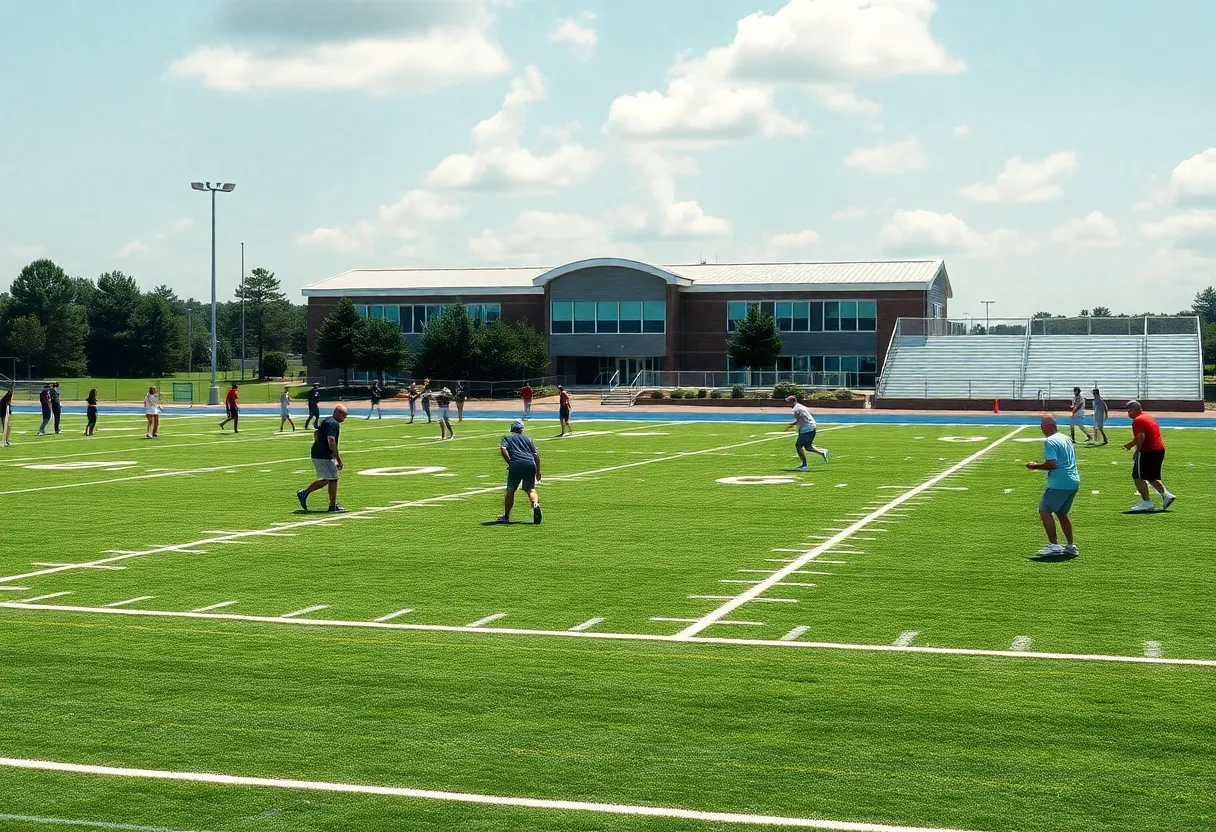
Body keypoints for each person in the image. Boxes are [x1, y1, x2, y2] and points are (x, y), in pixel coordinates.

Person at [1024, 415, 1080, 556]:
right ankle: (1070, 545)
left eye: (1042, 425)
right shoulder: (1065, 438)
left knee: (1044, 510)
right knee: (1062, 513)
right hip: (1073, 481)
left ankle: (1054, 545)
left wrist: (1034, 466)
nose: (1041, 428)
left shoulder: (1050, 441)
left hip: (1059, 483)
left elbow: (1052, 464)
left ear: (1049, 425)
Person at [1123, 401, 1176, 513]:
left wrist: (1137, 451)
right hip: (1159, 449)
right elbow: (1143, 436)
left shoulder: (1138, 421)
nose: (1128, 413)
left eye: (1129, 410)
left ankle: (1146, 502)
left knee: (1137, 476)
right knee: (1149, 476)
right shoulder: (1148, 418)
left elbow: (1141, 437)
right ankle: (1166, 495)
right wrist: (1130, 445)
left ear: (1135, 409)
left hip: (1148, 451)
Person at [298, 404, 348, 513]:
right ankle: (305, 493)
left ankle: (332, 505)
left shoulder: (327, 420)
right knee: (328, 479)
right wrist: (338, 459)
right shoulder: (333, 423)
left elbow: (316, 434)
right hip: (323, 455)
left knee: (332, 478)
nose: (345, 418)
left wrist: (319, 444)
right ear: (338, 413)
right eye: (345, 415)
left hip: (319, 452)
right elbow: (331, 440)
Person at [498, 419, 542, 524]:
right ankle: (535, 504)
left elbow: (503, 448)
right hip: (530, 464)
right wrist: (538, 470)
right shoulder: (528, 439)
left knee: (510, 490)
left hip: (516, 464)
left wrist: (509, 461)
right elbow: (536, 455)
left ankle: (506, 516)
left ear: (512, 429)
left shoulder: (507, 438)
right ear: (522, 429)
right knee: (531, 489)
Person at [784, 395, 828, 468]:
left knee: (798, 446)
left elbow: (799, 420)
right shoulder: (799, 406)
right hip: (811, 427)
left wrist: (791, 425)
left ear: (792, 401)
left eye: (788, 402)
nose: (787, 404)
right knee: (808, 447)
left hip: (807, 428)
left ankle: (804, 465)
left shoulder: (796, 409)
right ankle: (823, 453)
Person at [1, 383, 13, 447]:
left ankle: (6, 440)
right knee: (6, 427)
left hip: (6, 412)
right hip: (4, 412)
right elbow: (8, 403)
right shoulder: (8, 394)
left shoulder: (8, 393)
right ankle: (5, 441)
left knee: (8, 426)